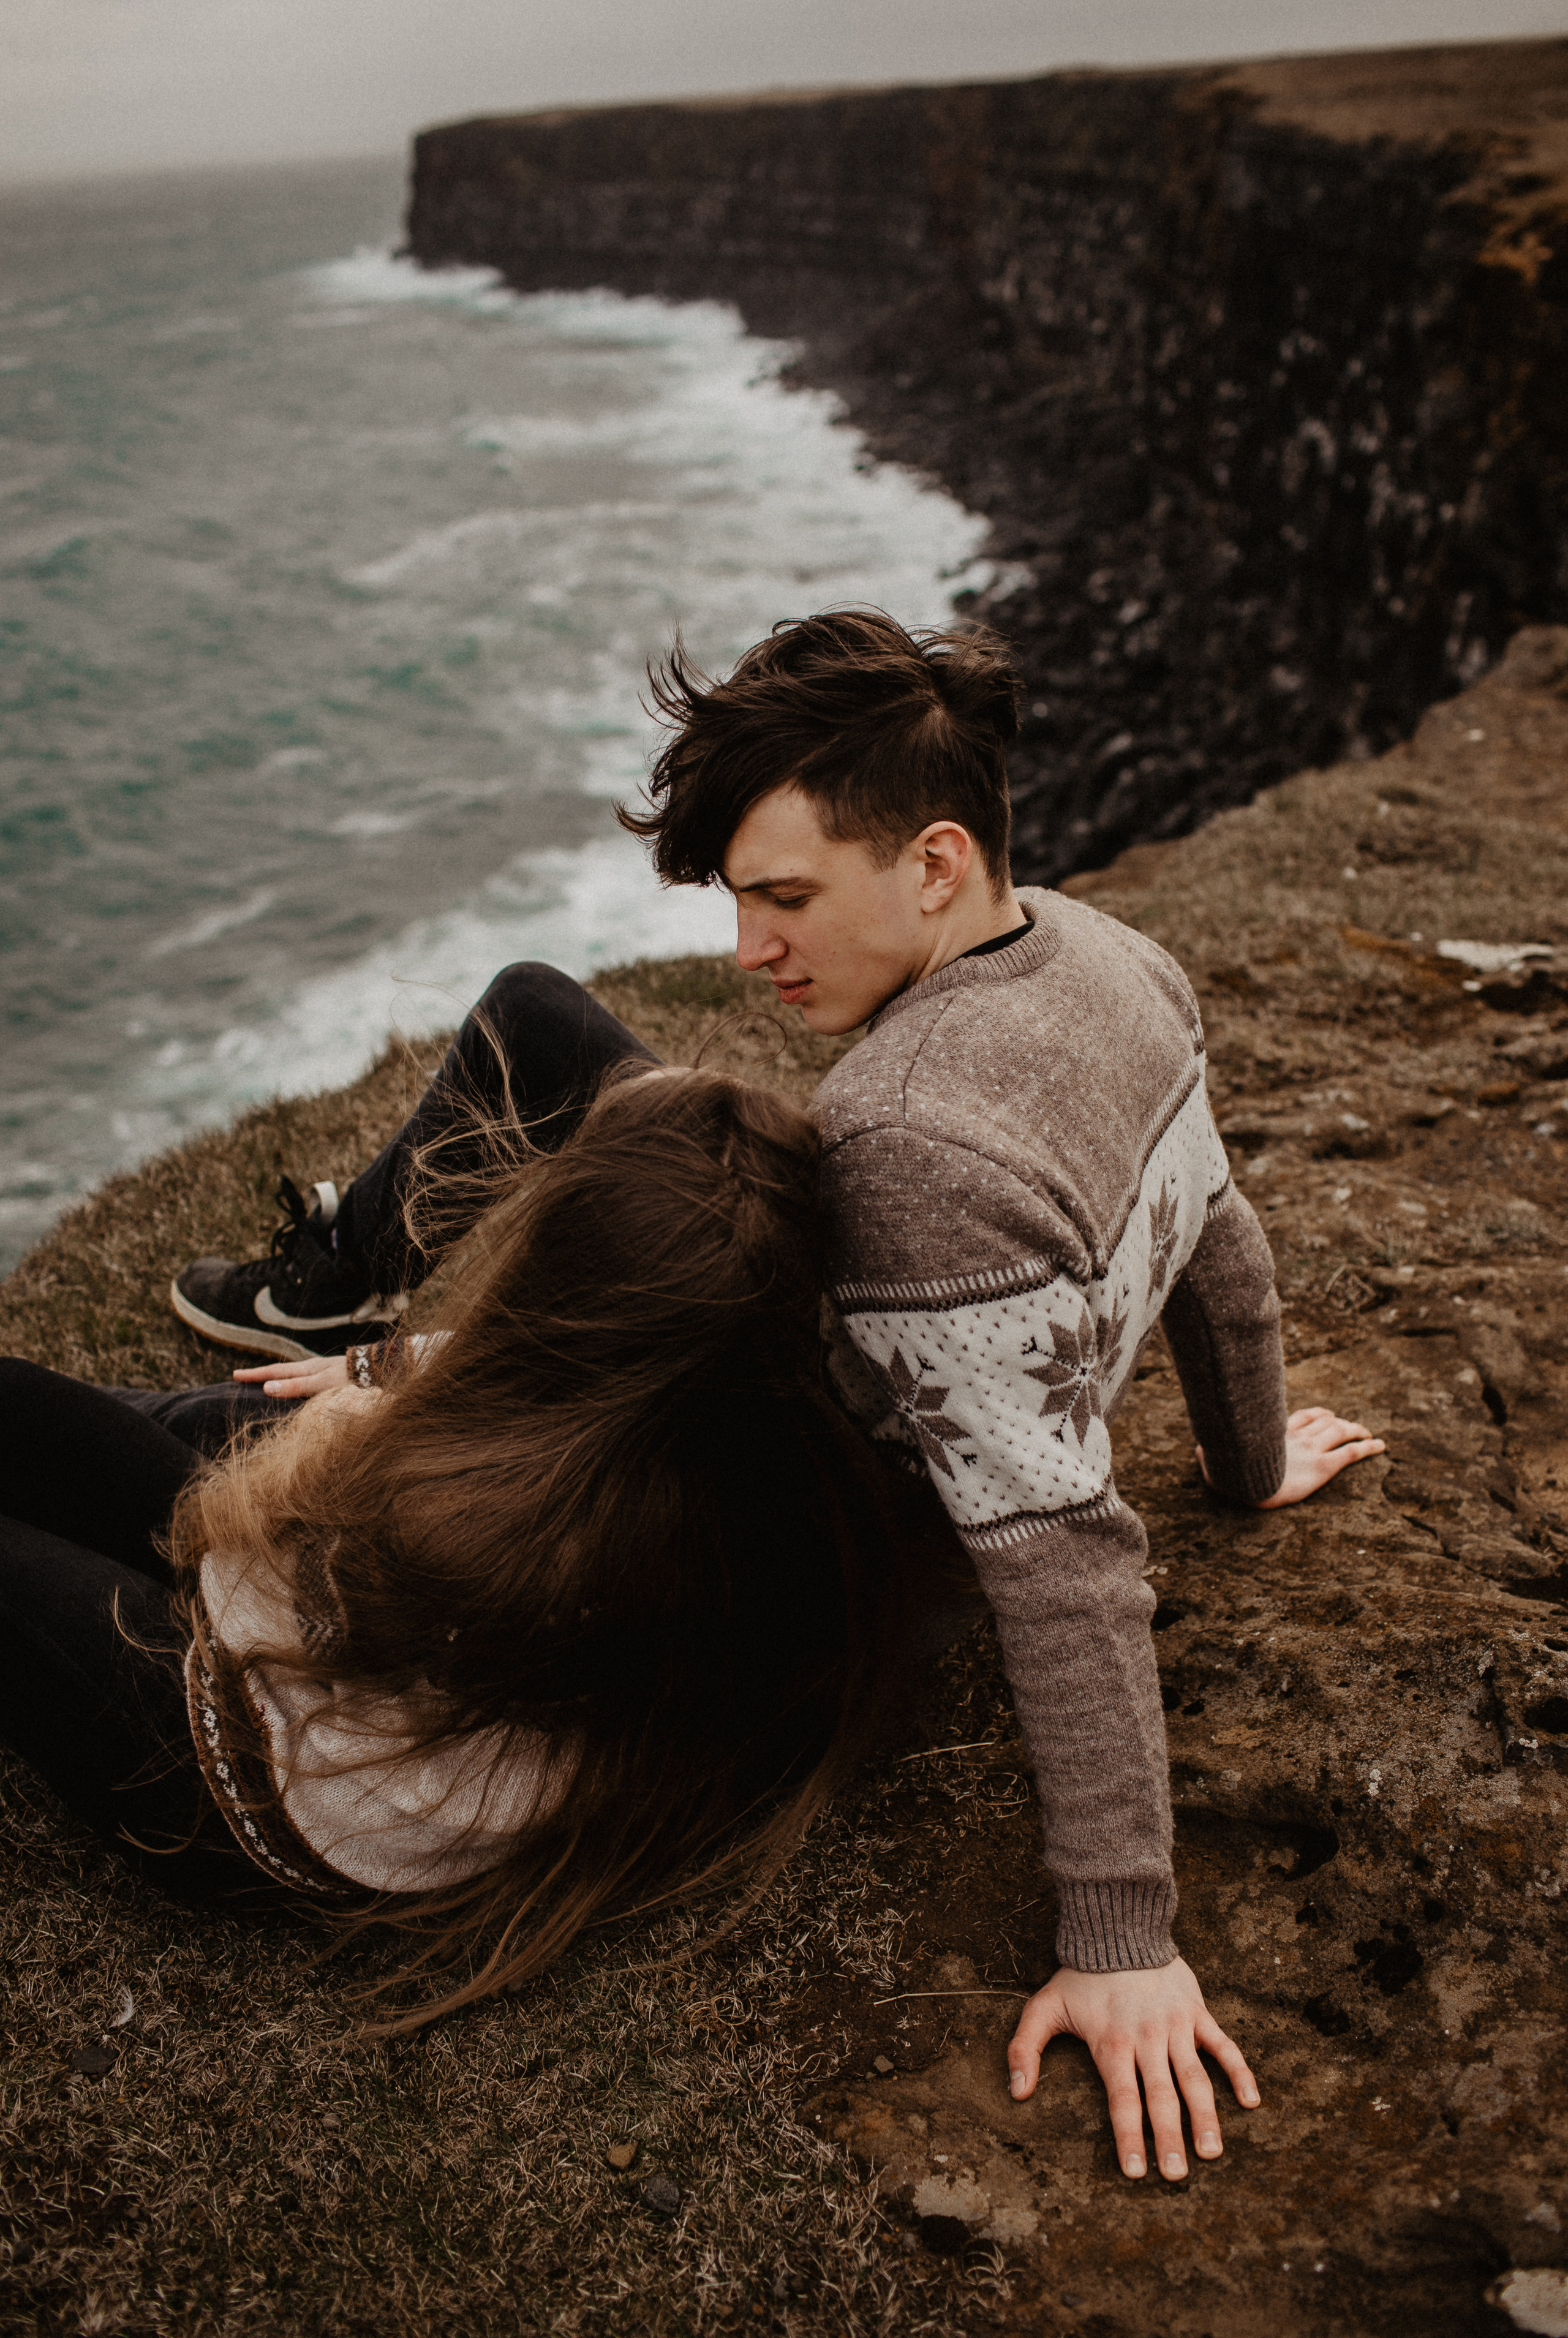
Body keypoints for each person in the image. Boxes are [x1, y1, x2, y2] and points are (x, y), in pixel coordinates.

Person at [168, 608, 1384, 2171]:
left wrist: (1121, 1935)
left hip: (769, 1507)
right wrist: (1242, 1454)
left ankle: (336, 1348)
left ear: (933, 864)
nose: (748, 956)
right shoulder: (1107, 957)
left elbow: (1064, 1556)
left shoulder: (905, 1156)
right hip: (817, 1363)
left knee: (215, 1445)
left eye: (786, 901)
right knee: (539, 1018)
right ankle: (335, 1280)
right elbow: (1213, 1228)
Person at [1, 1066, 931, 2017]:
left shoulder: (506, 1538)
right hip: (334, 1671)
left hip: (242, 1785)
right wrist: (382, 1367)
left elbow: (251, 1566)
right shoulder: (743, 1433)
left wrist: (349, 1409)